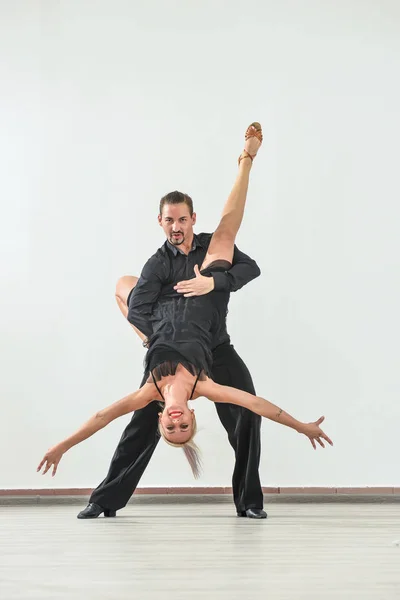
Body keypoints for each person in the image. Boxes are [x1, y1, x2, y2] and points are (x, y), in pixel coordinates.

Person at [38, 123, 333, 506]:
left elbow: (251, 270)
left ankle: (248, 501)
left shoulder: (154, 389)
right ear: (160, 223)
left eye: (181, 220)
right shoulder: (159, 263)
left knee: (243, 417)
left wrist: (211, 286)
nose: (175, 228)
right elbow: (140, 309)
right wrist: (156, 331)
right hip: (187, 338)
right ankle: (106, 499)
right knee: (142, 423)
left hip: (213, 344)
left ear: (192, 218)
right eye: (168, 222)